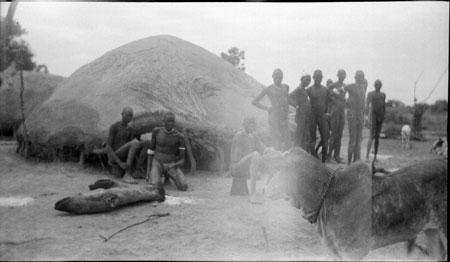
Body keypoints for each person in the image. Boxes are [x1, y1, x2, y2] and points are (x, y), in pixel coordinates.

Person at [100, 107, 148, 184]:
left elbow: (132, 149)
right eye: (127, 115)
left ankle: (137, 170)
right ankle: (127, 174)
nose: (129, 118)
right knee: (134, 142)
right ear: (122, 114)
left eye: (131, 116)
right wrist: (120, 163)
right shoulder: (114, 126)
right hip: (115, 155)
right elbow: (108, 147)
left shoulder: (130, 129)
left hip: (124, 156)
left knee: (147, 142)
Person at [145, 111, 188, 191]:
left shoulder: (179, 137)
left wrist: (174, 165)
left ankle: (167, 178)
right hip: (157, 163)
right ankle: (158, 176)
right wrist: (148, 170)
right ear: (163, 121)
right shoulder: (156, 132)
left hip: (170, 165)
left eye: (172, 121)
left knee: (184, 186)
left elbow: (182, 160)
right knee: (155, 186)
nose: (170, 123)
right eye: (168, 121)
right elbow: (151, 152)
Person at [252, 69, 290, 151]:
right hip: (274, 117)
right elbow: (255, 101)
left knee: (287, 141)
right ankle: (275, 161)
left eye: (280, 77)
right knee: (277, 140)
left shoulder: (286, 87)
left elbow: (287, 101)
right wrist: (266, 108)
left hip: (284, 118)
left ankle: (285, 161)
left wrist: (287, 115)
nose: (278, 79)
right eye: (276, 77)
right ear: (273, 77)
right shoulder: (268, 89)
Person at [229, 117, 265, 197]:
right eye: (249, 123)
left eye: (253, 124)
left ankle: (269, 189)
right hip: (236, 166)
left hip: (245, 165)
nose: (252, 126)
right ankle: (253, 193)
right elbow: (237, 157)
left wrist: (270, 152)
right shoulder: (239, 136)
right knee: (255, 155)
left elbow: (263, 148)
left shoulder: (253, 136)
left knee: (270, 156)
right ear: (244, 125)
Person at [344, 70, 367, 165]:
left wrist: (364, 115)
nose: (360, 78)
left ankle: (356, 162)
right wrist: (343, 102)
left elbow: (363, 103)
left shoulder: (363, 87)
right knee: (353, 140)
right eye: (359, 76)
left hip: (360, 115)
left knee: (358, 140)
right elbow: (338, 90)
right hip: (352, 114)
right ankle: (349, 163)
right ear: (355, 77)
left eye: (362, 76)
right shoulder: (350, 86)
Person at [307, 70, 330, 163]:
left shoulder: (325, 90)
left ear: (322, 78)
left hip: (322, 116)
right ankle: (313, 160)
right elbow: (302, 99)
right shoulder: (309, 89)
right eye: (316, 77)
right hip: (312, 116)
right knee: (312, 139)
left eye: (320, 77)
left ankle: (323, 163)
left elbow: (328, 102)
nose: (318, 79)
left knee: (325, 140)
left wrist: (327, 112)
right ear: (313, 78)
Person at [327, 69, 347, 163]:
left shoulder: (345, 86)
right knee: (334, 133)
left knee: (340, 134)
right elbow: (327, 91)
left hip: (342, 110)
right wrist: (332, 98)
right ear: (338, 75)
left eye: (344, 74)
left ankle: (337, 156)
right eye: (341, 74)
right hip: (335, 110)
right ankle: (329, 155)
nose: (342, 76)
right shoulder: (333, 85)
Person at [288, 74, 312, 151]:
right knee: (298, 136)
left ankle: (302, 153)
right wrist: (296, 106)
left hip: (305, 116)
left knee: (304, 136)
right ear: (301, 79)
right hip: (301, 116)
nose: (308, 82)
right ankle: (295, 153)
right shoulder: (299, 89)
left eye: (309, 80)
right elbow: (289, 97)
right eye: (306, 79)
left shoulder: (304, 89)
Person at [365, 79, 386, 162]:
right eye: (376, 84)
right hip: (373, 116)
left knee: (377, 137)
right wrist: (366, 117)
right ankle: (367, 156)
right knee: (371, 136)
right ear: (374, 85)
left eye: (379, 85)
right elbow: (367, 106)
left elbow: (383, 106)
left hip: (380, 117)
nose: (378, 86)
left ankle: (375, 157)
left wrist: (383, 117)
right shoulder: (371, 94)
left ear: (381, 85)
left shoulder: (383, 95)